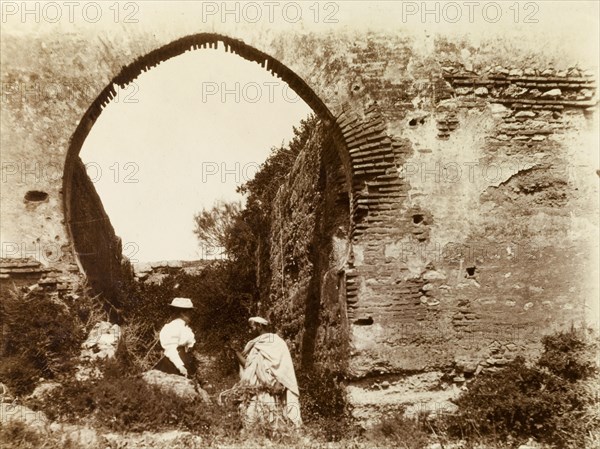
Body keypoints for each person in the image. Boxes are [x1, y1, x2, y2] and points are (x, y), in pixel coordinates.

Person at [230, 317, 302, 428]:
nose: (250, 330)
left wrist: (280, 381)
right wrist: (235, 351)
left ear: (259, 327)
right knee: (251, 420)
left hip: (273, 388)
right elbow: (248, 365)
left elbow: (284, 364)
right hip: (257, 389)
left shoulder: (277, 342)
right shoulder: (255, 344)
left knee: (274, 419)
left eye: (252, 327)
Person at [154, 297, 197, 377]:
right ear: (182, 313)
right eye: (189, 312)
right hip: (173, 365)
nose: (191, 315)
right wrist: (180, 367)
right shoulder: (172, 327)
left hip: (185, 361)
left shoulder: (185, 327)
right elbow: (170, 349)